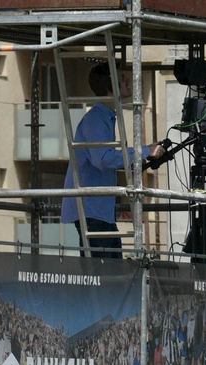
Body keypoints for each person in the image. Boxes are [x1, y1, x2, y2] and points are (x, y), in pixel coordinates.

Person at [62, 62, 161, 258]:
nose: (127, 82)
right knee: (104, 273)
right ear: (110, 84)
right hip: (91, 211)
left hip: (100, 210)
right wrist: (144, 151)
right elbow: (103, 159)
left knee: (112, 266)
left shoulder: (105, 117)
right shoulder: (95, 119)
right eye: (122, 77)